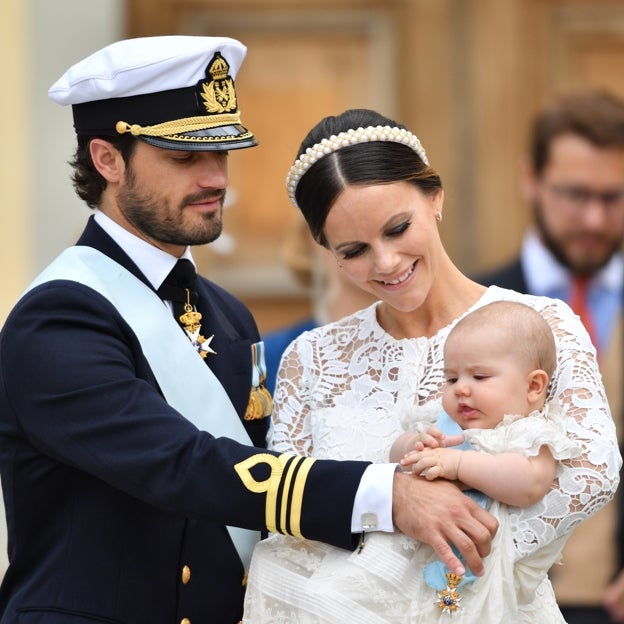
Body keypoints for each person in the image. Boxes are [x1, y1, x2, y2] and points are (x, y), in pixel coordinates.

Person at [0, 37, 500, 624]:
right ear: (108, 160)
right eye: (185, 158)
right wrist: (384, 495)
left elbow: (271, 465)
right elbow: (181, 465)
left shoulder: (228, 313)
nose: (216, 177)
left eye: (223, 152)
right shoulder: (59, 317)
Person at [242, 108, 620, 623]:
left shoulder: (545, 322)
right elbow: (290, 512)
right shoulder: (309, 358)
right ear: (325, 249)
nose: (386, 263)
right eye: (354, 250)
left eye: (398, 229)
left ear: (435, 197)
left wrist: (458, 557)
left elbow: (591, 474)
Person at [475, 88, 624, 624]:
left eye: (613, 198)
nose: (593, 218)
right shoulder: (475, 302)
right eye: (574, 194)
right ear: (530, 180)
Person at [386, 300, 580, 621]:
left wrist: (459, 465)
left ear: (533, 386)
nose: (461, 388)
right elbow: (396, 458)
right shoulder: (442, 425)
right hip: (416, 573)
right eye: (451, 379)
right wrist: (413, 444)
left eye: (478, 376)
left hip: (495, 587)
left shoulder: (528, 432)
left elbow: (528, 483)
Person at [263, 219, 377, 394]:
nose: (386, 257)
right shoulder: (267, 361)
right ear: (315, 237)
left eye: (396, 229)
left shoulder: (427, 348)